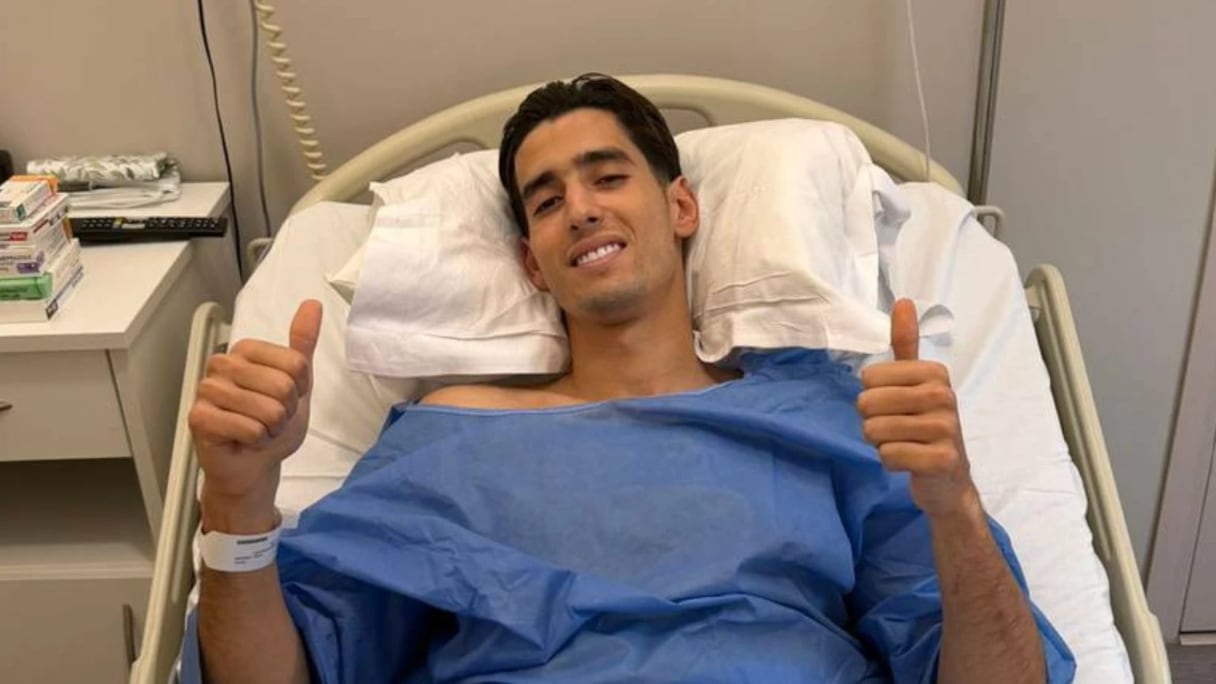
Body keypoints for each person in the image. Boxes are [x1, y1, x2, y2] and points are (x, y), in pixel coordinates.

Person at [183, 74, 1074, 683]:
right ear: (530, 264)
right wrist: (237, 505)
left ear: (681, 208)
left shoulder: (830, 417)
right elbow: (286, 669)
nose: (580, 208)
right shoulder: (446, 433)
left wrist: (956, 509)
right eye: (546, 201)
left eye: (608, 177)